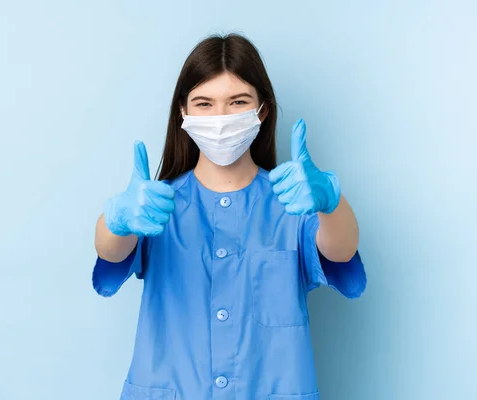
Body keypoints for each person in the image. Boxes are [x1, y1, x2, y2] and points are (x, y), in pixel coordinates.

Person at [93, 33, 367, 400]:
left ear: (262, 110)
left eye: (237, 102)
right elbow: (111, 252)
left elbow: (341, 251)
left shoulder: (292, 202)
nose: (220, 118)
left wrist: (330, 202)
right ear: (183, 112)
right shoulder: (157, 205)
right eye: (204, 103)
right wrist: (117, 220)